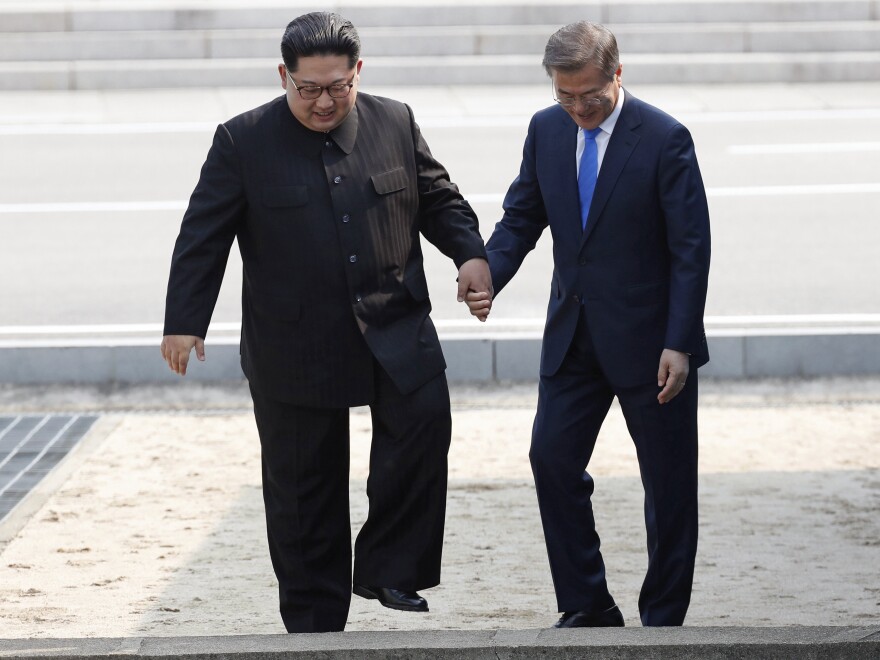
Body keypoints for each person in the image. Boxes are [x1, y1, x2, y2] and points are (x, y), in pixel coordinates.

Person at [160, 11, 491, 633]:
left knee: (422, 430)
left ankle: (387, 566)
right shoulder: (242, 140)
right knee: (302, 487)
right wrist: (185, 320)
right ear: (283, 76)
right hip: (294, 341)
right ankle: (313, 623)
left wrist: (470, 253)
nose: (322, 101)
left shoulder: (395, 121)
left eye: (337, 86)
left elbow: (438, 197)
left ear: (357, 72)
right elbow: (202, 236)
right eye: (307, 88)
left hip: (394, 322)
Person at [466, 21, 710, 627]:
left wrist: (680, 341)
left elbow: (691, 248)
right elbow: (522, 215)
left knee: (668, 487)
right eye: (565, 95)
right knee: (550, 460)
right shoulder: (546, 129)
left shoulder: (664, 138)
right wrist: (489, 271)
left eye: (591, 96)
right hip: (572, 338)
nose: (578, 108)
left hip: (652, 346)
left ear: (617, 75)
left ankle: (662, 620)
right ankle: (588, 603)